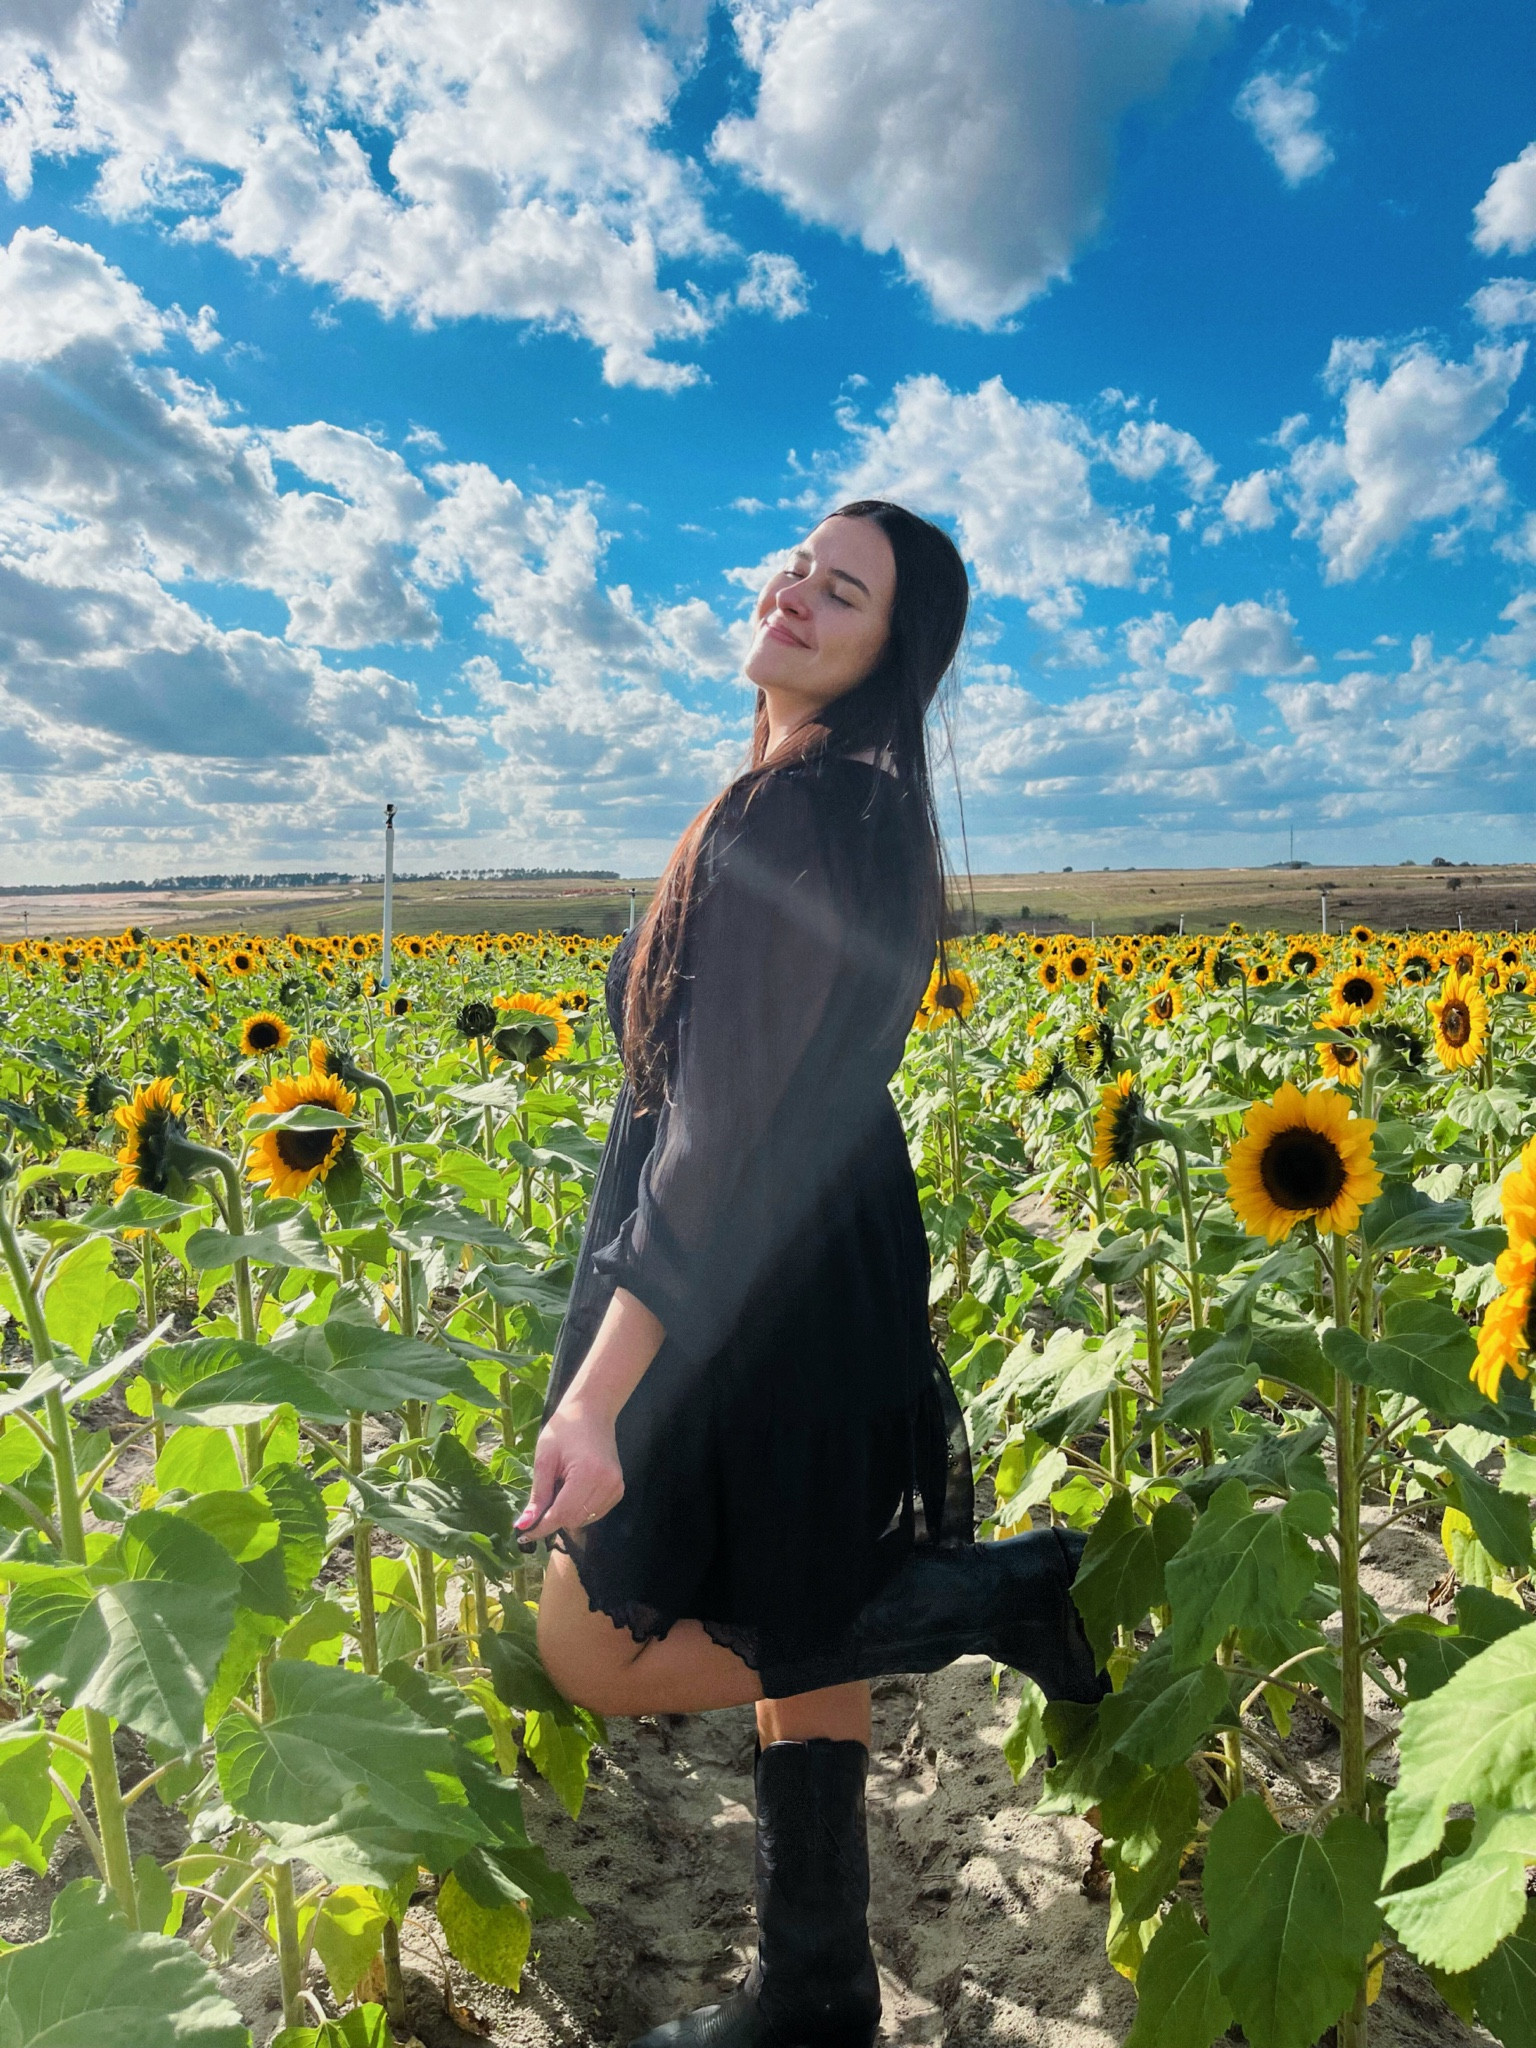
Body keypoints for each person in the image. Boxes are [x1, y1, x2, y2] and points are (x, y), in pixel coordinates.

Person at [516, 500, 1104, 2048]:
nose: (797, 592)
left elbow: (713, 1145)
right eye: (798, 564)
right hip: (816, 1253)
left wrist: (596, 1397)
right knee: (796, 1584)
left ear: (883, 654)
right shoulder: (831, 801)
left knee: (588, 1645)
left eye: (842, 594)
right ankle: (817, 1986)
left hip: (752, 1282)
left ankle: (991, 1593)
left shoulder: (799, 816)